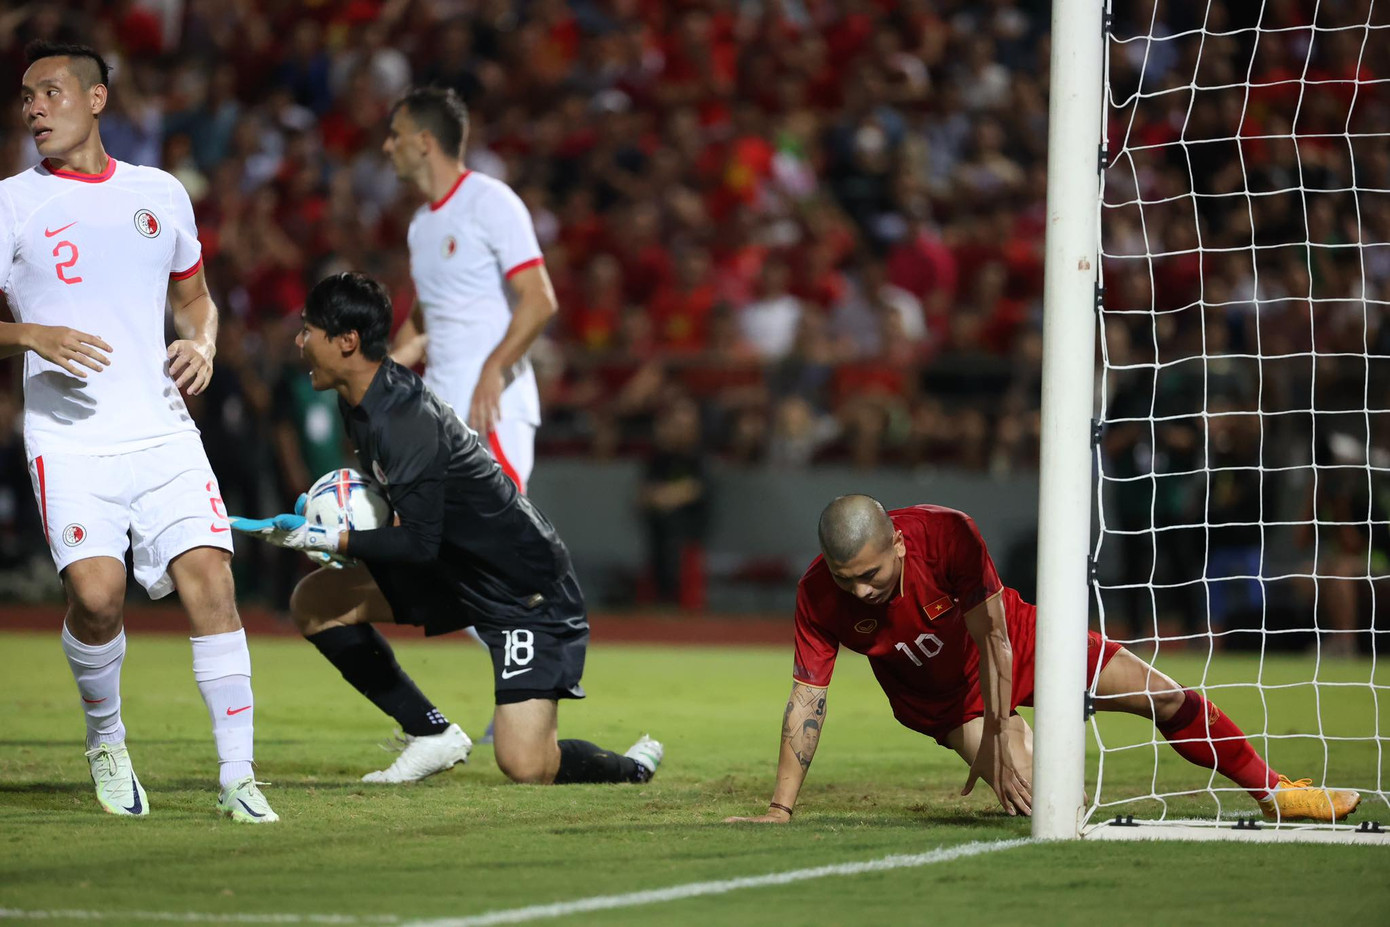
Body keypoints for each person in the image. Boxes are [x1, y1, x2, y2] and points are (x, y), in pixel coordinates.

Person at [230, 272, 662, 788]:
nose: (299, 343)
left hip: (523, 589)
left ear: (346, 341)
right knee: (316, 603)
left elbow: (416, 542)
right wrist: (325, 521)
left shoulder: (401, 420)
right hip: (455, 570)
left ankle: (629, 768)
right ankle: (429, 732)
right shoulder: (362, 401)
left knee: (526, 765)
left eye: (308, 330)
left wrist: (331, 538)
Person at [0, 42, 276, 822]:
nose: (33, 109)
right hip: (69, 438)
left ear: (96, 99)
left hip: (161, 428)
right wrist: (30, 336)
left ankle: (238, 778)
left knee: (214, 583)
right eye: (24, 98)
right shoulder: (11, 202)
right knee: (97, 596)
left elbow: (195, 299)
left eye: (48, 92)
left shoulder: (159, 194)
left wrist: (205, 342)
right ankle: (107, 737)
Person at [726, 495, 1361, 824]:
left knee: (1165, 697)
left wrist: (1006, 727)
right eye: (846, 579)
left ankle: (1275, 792)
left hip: (1021, 642)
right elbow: (808, 697)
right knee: (1042, 798)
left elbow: (994, 638)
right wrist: (779, 809)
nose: (860, 591)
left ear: (896, 538)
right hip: (943, 700)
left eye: (870, 574)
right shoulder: (817, 593)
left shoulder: (947, 534)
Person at [382, 87, 555, 739]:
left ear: (425, 140)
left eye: (395, 134)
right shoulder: (422, 225)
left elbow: (539, 300)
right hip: (444, 415)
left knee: (484, 558)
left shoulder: (491, 201)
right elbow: (427, 321)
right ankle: (527, 689)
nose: (386, 146)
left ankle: (532, 692)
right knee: (449, 565)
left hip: (495, 410)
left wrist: (491, 367)